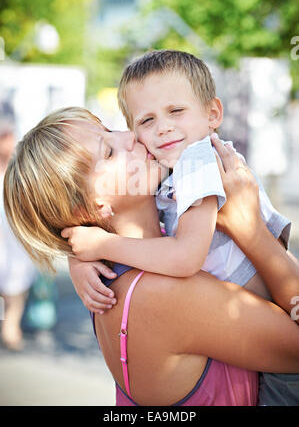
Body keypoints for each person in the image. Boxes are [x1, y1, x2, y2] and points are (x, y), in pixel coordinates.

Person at [3, 107, 299, 406]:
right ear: (90, 208)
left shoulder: (114, 266)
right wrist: (250, 230)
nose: (129, 136)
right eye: (108, 152)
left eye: (109, 129)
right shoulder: (163, 292)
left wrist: (80, 256)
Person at [62, 51, 299, 404]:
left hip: (277, 318)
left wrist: (100, 246)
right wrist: (78, 260)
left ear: (213, 114)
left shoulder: (199, 161)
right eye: (146, 120)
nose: (163, 127)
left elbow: (185, 256)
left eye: (176, 111)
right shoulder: (167, 166)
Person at [0, 118, 37, 350]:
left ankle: (10, 327)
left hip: (16, 235)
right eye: (6, 137)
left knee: (17, 284)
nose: (10, 142)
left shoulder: (20, 169)